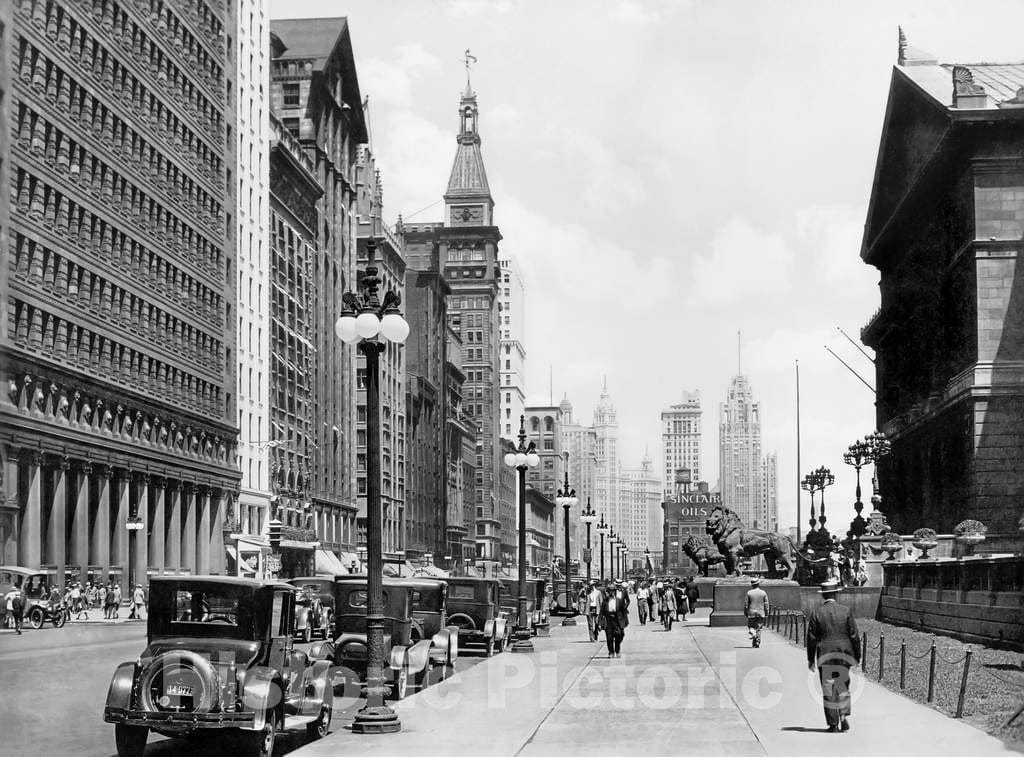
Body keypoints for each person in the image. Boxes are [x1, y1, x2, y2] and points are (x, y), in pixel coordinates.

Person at [807, 578, 862, 733]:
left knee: (829, 689)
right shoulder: (845, 610)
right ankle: (844, 715)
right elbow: (854, 635)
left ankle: (833, 724)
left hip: (825, 656)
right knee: (842, 686)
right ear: (835, 595)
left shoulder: (816, 612)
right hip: (844, 655)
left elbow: (811, 638)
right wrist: (857, 656)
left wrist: (810, 659)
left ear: (823, 596)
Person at [602, 579, 629, 658]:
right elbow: (602, 611)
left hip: (618, 619)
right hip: (608, 620)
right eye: (609, 591)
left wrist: (625, 621)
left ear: (615, 591)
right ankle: (611, 652)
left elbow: (623, 611)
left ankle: (617, 650)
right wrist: (600, 621)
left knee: (620, 635)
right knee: (609, 637)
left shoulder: (619, 601)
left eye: (612, 591)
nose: (611, 592)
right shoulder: (605, 601)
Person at [744, 577, 769, 647]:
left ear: (752, 585)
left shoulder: (749, 593)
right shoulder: (763, 593)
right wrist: (767, 613)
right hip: (761, 613)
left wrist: (745, 612)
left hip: (751, 613)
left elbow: (746, 604)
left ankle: (753, 635)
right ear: (758, 584)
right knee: (759, 628)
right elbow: (766, 604)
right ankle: (757, 642)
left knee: (751, 626)